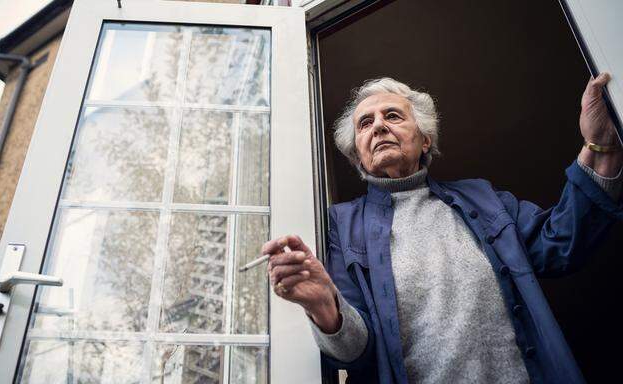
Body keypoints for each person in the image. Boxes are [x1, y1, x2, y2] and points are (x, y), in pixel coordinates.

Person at [261, 75, 623, 384]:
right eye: (365, 124)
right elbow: (357, 354)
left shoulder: (483, 198)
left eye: (392, 116)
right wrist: (324, 304)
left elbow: (560, 243)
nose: (379, 127)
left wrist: (602, 147)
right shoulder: (342, 225)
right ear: (358, 154)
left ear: (425, 139)